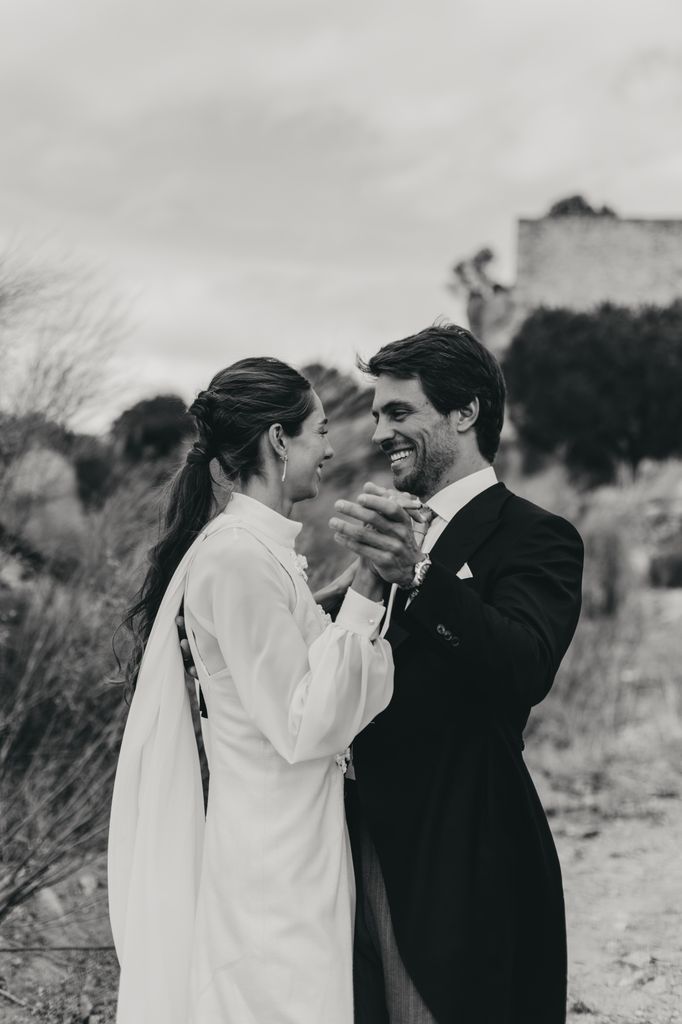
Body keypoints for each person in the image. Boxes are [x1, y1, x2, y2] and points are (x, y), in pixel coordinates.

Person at [108, 357, 394, 1024]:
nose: (330, 447)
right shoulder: (236, 557)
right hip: (270, 860)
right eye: (319, 431)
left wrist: (374, 578)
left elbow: (319, 674)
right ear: (276, 440)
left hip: (297, 840)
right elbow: (301, 724)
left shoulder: (264, 553)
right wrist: (369, 587)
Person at [329, 324, 584, 1024]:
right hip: (344, 846)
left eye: (399, 412)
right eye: (378, 414)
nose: (380, 431)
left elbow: (522, 667)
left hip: (461, 851)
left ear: (465, 412)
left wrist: (416, 573)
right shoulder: (381, 537)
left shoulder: (537, 536)